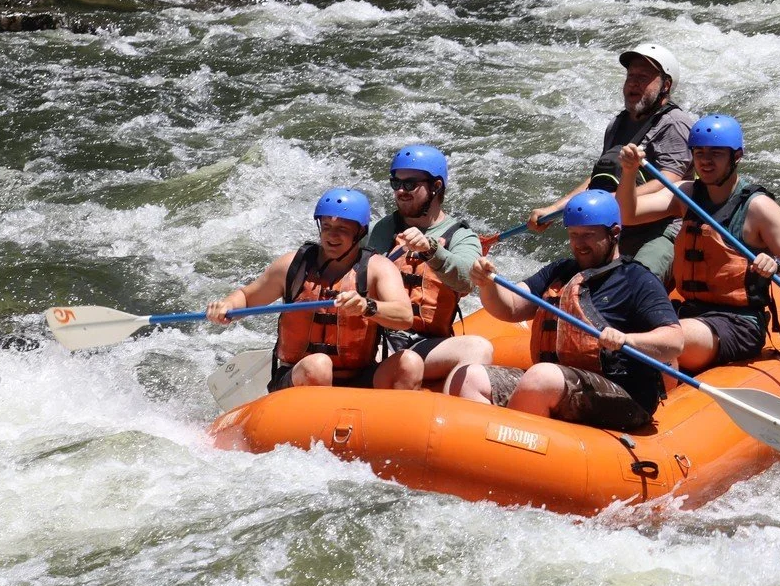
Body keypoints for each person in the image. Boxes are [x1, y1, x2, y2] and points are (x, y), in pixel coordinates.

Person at [450, 190, 683, 431]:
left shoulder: (636, 279)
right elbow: (510, 307)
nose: (579, 245)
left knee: (541, 378)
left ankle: (512, 444)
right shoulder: (560, 271)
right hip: (561, 381)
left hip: (623, 393)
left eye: (588, 235)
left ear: (614, 232)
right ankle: (486, 447)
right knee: (470, 378)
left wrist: (627, 340)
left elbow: (675, 340)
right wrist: (487, 285)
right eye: (573, 235)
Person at [616, 114, 780, 372]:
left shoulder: (758, 208)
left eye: (716, 153)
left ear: (736, 156)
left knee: (667, 338)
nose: (706, 161)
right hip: (689, 311)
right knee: (625, 320)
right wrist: (630, 172)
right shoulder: (686, 194)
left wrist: (777, 264)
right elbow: (627, 214)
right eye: (699, 153)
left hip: (738, 323)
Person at [206, 188, 413, 391]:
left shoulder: (378, 268)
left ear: (359, 232)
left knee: (409, 363)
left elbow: (404, 316)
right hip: (303, 375)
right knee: (318, 366)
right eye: (326, 227)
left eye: (342, 229)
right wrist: (227, 306)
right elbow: (246, 297)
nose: (331, 236)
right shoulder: (293, 265)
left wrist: (367, 306)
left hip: (359, 376)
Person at [528, 43, 697, 280]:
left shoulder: (674, 124)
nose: (633, 83)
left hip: (662, 229)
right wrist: (555, 208)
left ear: (665, 85)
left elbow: (668, 181)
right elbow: (598, 179)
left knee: (634, 284)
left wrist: (613, 201)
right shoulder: (618, 124)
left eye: (643, 78)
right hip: (619, 228)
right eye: (630, 76)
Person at [367, 144, 494, 390]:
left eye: (410, 184)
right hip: (379, 339)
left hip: (427, 344)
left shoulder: (461, 235)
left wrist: (431, 250)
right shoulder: (382, 229)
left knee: (479, 348)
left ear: (436, 186)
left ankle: (448, 406)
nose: (401, 191)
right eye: (396, 183)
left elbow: (466, 281)